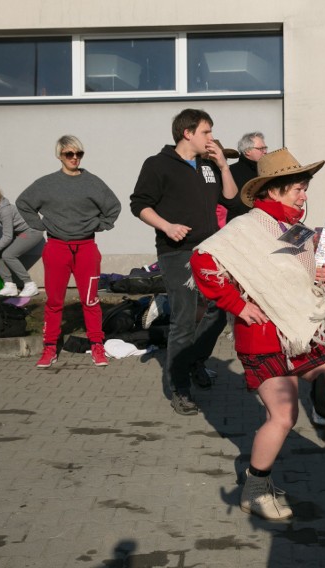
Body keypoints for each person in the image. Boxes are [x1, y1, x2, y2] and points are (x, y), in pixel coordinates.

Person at [190, 148, 325, 520]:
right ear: (273, 191)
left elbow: (315, 273)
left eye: (304, 188)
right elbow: (202, 259)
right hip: (262, 337)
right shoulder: (245, 228)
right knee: (284, 416)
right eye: (297, 189)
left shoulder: (293, 230)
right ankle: (255, 489)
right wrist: (238, 305)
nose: (304, 195)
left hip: (304, 331)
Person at [130, 109, 237, 416]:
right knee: (184, 318)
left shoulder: (208, 165)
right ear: (187, 133)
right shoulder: (158, 164)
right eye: (207, 132)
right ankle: (180, 388)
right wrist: (166, 226)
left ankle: (194, 360)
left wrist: (222, 165)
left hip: (209, 250)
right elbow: (139, 204)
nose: (212, 138)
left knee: (222, 307)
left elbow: (231, 200)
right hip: (176, 252)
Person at [17, 135, 121, 369]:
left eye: (78, 154)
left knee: (91, 300)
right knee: (54, 301)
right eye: (69, 154)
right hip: (56, 247)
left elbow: (113, 207)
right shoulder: (46, 184)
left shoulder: (93, 182)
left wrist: (100, 225)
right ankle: (49, 348)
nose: (74, 158)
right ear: (59, 156)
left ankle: (97, 345)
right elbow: (24, 203)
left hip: (86, 248)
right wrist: (41, 225)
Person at [0, 183, 44, 297]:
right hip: (19, 234)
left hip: (31, 232)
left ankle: (30, 285)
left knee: (8, 255)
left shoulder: (5, 210)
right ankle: (9, 285)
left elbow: (7, 237)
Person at [225, 132, 269, 222]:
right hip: (240, 225)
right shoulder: (230, 172)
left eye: (265, 148)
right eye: (261, 148)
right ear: (247, 151)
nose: (265, 151)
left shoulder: (267, 171)